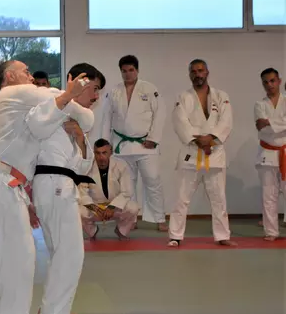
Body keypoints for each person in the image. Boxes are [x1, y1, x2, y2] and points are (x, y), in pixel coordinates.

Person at [0, 60, 94, 314]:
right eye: (25, 71)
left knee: (3, 254)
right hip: (0, 182)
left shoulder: (15, 107)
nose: (31, 76)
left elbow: (70, 118)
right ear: (11, 76)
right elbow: (83, 116)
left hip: (1, 182)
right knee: (20, 253)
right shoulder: (13, 93)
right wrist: (70, 93)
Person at [32, 63, 103, 314]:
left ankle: (52, 308)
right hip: (54, 184)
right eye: (93, 88)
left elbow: (83, 168)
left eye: (97, 91)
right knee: (71, 253)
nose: (95, 96)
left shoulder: (77, 119)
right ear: (77, 81)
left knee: (59, 251)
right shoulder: (53, 105)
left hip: (60, 184)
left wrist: (81, 140)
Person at [168, 59, 236, 247]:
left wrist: (211, 138)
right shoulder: (183, 97)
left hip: (214, 153)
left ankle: (222, 236)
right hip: (191, 152)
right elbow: (180, 122)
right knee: (182, 198)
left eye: (200, 70)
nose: (197, 74)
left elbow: (226, 122)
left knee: (219, 199)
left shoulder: (221, 96)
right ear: (189, 74)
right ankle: (175, 235)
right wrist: (199, 140)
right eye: (193, 71)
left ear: (207, 72)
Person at [100, 55, 168, 231]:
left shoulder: (149, 89)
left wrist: (153, 138)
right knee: (127, 185)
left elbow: (160, 115)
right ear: (120, 72)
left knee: (153, 180)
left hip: (146, 144)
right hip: (122, 145)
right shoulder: (113, 91)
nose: (127, 74)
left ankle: (159, 218)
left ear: (137, 70)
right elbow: (106, 118)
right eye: (124, 71)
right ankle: (132, 218)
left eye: (131, 70)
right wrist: (105, 143)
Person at [79, 138, 139, 239]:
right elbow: (82, 193)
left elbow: (127, 191)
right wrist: (95, 208)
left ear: (110, 152)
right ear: (94, 153)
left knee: (133, 208)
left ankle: (121, 231)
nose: (101, 157)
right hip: (96, 207)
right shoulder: (87, 167)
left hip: (115, 207)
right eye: (97, 153)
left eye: (104, 153)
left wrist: (111, 207)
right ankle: (92, 232)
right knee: (78, 211)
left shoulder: (121, 165)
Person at [254, 67, 286, 241]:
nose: (269, 85)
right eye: (265, 82)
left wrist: (270, 123)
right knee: (268, 196)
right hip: (267, 154)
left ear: (279, 81)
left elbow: (267, 126)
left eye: (272, 81)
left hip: (285, 152)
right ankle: (271, 232)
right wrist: (280, 125)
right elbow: (261, 129)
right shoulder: (259, 105)